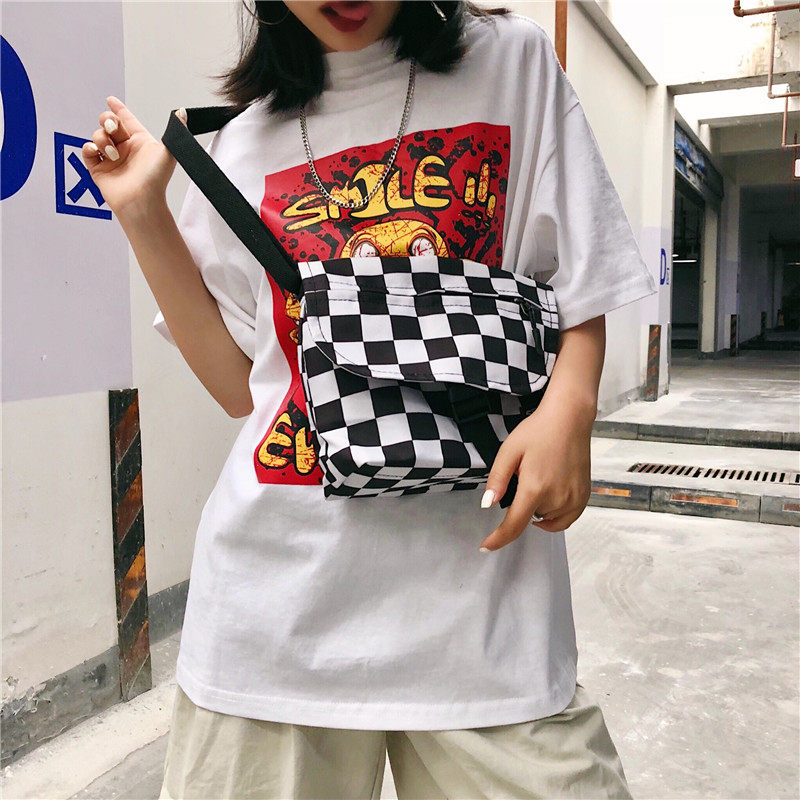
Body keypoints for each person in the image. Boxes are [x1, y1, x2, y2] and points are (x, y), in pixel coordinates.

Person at [82, 1, 657, 797]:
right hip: (272, 623)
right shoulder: (243, 139)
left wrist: (571, 408)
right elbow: (240, 388)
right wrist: (142, 211)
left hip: (485, 624)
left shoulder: (511, 64)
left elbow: (579, 276)